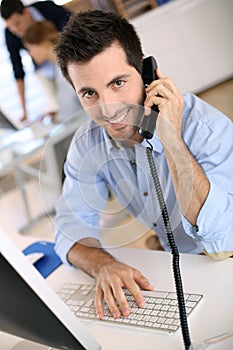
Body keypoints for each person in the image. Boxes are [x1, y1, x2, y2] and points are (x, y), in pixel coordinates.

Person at [54, 10, 233, 320]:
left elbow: (223, 240)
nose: (107, 108)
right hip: (179, 268)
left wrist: (172, 139)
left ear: (147, 74)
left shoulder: (204, 128)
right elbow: (70, 226)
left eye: (118, 83)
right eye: (89, 93)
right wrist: (102, 263)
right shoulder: (88, 142)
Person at [0, 0, 72, 122]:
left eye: (17, 23)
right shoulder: (10, 33)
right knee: (62, 105)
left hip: (66, 57)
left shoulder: (47, 8)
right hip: (46, 69)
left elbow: (73, 24)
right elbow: (17, 69)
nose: (15, 30)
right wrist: (24, 111)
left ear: (26, 12)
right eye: (10, 26)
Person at [22, 20, 82, 123]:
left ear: (42, 43)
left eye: (30, 48)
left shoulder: (69, 66)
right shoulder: (58, 67)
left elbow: (74, 108)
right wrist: (57, 114)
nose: (30, 54)